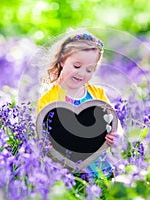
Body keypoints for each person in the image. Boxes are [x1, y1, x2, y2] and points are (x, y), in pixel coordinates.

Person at [37, 31, 122, 182]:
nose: (82, 73)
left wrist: (117, 137)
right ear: (63, 60)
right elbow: (42, 133)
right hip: (66, 174)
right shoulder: (48, 99)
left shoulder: (98, 94)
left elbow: (114, 122)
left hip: (101, 170)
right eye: (77, 66)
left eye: (89, 70)